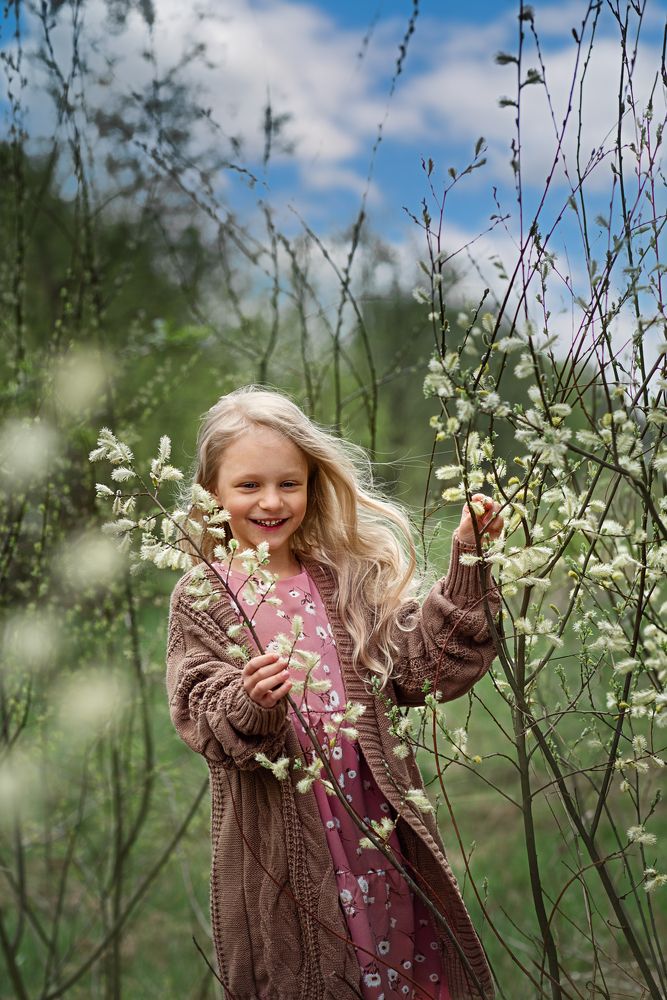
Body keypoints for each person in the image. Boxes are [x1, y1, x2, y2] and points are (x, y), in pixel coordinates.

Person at [166, 386, 502, 1000]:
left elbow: (421, 669)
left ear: (313, 484)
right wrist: (251, 702)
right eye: (248, 486)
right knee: (311, 972)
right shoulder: (204, 596)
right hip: (288, 844)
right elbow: (198, 706)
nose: (271, 501)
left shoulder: (343, 577)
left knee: (402, 968)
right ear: (212, 493)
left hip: (374, 826)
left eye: (288, 483)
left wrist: (469, 562)